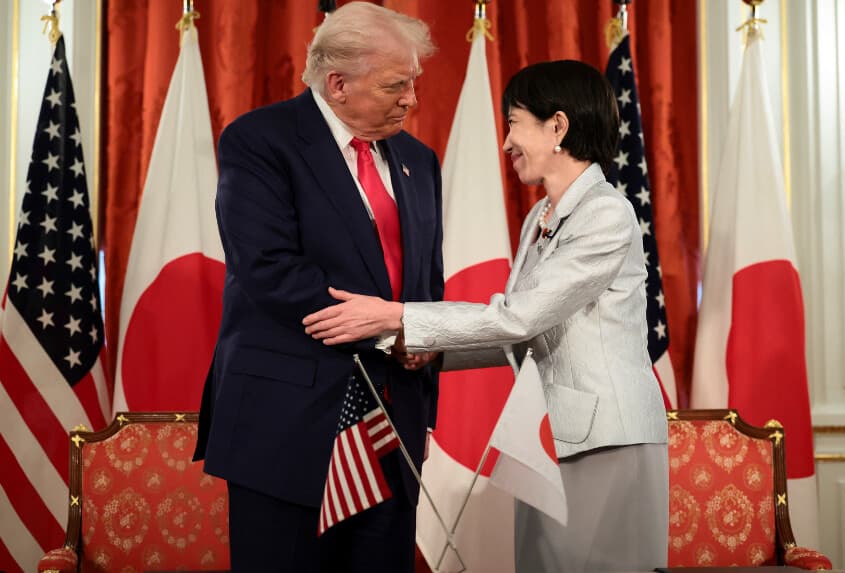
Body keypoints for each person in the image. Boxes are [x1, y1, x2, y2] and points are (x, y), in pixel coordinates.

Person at [303, 60, 669, 572]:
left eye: (515, 123)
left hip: (604, 440)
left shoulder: (605, 213)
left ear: (558, 127)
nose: (506, 143)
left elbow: (519, 318)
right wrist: (431, 352)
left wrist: (398, 316)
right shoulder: (539, 219)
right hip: (548, 436)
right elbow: (524, 338)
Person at [193, 3, 444, 572]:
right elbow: (270, 270)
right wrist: (391, 332)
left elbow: (426, 278)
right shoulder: (260, 141)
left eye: (413, 83)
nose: (412, 99)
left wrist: (425, 331)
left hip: (392, 425)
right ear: (337, 84)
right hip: (286, 422)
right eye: (395, 85)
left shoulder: (417, 160)